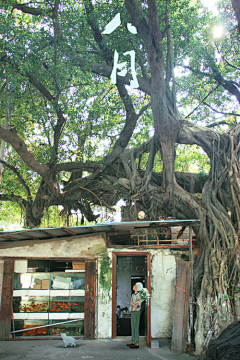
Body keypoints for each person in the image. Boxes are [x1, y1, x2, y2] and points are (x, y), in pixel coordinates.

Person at [126, 282, 143, 349]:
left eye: (135, 285)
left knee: (136, 326)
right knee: (132, 326)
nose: (133, 286)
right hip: (133, 311)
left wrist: (133, 304)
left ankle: (137, 342)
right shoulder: (133, 295)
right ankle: (133, 341)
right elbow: (131, 303)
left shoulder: (139, 296)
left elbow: (139, 306)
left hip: (136, 312)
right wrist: (130, 309)